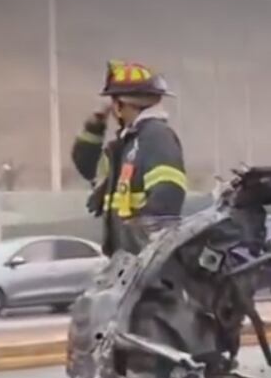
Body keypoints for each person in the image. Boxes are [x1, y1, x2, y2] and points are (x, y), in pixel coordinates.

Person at [72, 60, 187, 256]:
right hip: (127, 263)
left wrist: (141, 250)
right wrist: (95, 125)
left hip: (142, 266)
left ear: (118, 106)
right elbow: (87, 167)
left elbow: (167, 196)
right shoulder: (127, 145)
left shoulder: (156, 137)